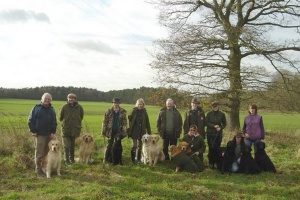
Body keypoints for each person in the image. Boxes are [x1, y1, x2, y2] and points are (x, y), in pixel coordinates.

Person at [28, 93, 57, 177]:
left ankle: (45, 168)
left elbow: (54, 122)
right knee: (39, 153)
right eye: (45, 99)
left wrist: (53, 132)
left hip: (49, 135)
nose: (47, 100)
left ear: (50, 100)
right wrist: (33, 130)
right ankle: (38, 170)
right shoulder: (36, 108)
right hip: (39, 134)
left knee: (47, 153)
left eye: (49, 99)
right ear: (42, 99)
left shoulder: (52, 109)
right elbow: (30, 120)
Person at [59, 93, 84, 165]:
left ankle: (72, 160)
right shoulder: (64, 107)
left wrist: (76, 124)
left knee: (72, 146)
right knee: (66, 146)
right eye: (70, 98)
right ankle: (66, 161)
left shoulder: (79, 107)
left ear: (75, 99)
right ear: (67, 99)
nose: (71, 99)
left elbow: (81, 117)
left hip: (75, 130)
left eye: (73, 98)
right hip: (66, 130)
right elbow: (60, 118)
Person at [102, 98, 127, 165]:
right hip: (110, 131)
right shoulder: (108, 111)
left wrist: (124, 132)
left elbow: (124, 122)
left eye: (117, 103)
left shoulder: (123, 111)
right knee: (109, 145)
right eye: (114, 102)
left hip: (119, 131)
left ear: (119, 103)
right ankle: (106, 160)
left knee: (118, 146)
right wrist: (103, 131)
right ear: (112, 103)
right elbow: (104, 122)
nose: (116, 104)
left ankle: (117, 160)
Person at [128, 98, 151, 164]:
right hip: (134, 131)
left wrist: (149, 132)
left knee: (140, 146)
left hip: (142, 132)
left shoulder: (145, 112)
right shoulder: (133, 111)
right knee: (134, 146)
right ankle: (133, 160)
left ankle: (138, 159)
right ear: (137, 104)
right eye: (139, 104)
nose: (140, 105)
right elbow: (129, 120)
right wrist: (129, 129)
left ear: (143, 105)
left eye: (141, 104)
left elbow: (147, 122)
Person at [206, 101, 226, 168]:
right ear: (212, 107)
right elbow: (206, 123)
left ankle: (217, 162)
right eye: (213, 107)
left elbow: (224, 124)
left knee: (217, 148)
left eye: (216, 106)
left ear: (218, 106)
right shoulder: (209, 114)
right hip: (210, 133)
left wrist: (220, 128)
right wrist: (214, 126)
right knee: (211, 148)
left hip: (218, 134)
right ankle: (211, 162)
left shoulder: (222, 114)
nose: (215, 108)